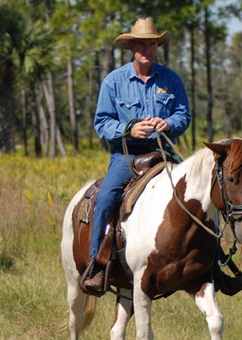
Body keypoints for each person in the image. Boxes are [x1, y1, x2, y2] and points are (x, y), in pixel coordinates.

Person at [82, 17, 191, 293]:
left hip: (164, 151)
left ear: (157, 46)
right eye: (141, 44)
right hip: (126, 156)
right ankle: (96, 263)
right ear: (132, 46)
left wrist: (169, 124)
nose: (147, 49)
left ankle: (212, 261)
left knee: (198, 191)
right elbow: (102, 123)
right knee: (106, 198)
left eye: (152, 43)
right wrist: (130, 129)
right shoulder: (113, 82)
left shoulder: (171, 79)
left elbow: (183, 115)